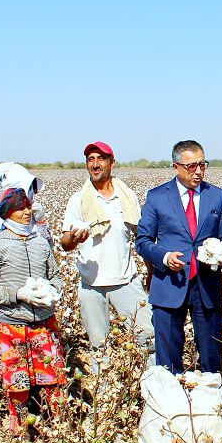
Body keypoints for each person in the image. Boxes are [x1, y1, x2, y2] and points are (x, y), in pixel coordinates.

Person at [136, 140, 222, 374]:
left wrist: (221, 253)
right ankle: (171, 403)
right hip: (169, 284)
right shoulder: (157, 196)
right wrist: (164, 256)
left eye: (202, 164)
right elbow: (143, 241)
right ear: (176, 167)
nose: (198, 171)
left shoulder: (217, 197)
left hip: (206, 285)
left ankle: (212, 401)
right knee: (168, 356)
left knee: (211, 352)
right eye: (191, 166)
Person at [0, 189, 67, 433]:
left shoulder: (41, 243)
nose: (27, 212)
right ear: (7, 213)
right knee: (17, 381)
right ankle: (19, 428)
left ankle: (58, 426)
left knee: (54, 376)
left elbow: (56, 276)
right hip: (10, 325)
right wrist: (19, 294)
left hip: (43, 322)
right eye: (20, 208)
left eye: (28, 206)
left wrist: (51, 291)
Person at [61, 142, 154, 373]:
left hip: (125, 279)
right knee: (98, 345)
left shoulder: (126, 197)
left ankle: (154, 384)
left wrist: (151, 272)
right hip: (91, 284)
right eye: (91, 159)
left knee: (147, 336)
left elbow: (142, 237)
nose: (95, 164)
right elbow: (65, 244)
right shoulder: (78, 200)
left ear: (112, 163)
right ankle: (103, 397)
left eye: (100, 159)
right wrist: (75, 238)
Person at [0, 162, 52, 243]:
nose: (32, 193)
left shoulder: (32, 217)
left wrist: (41, 222)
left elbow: (46, 249)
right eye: (29, 188)